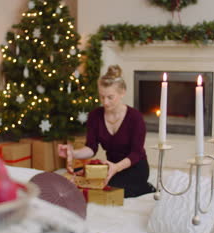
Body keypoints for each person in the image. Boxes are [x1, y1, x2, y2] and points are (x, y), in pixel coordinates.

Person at [58, 65, 155, 198]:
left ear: (122, 93)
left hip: (134, 168)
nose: (105, 102)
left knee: (103, 190)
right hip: (109, 168)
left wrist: (116, 167)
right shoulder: (94, 116)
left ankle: (144, 187)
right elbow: (91, 148)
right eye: (102, 97)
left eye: (110, 97)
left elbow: (136, 153)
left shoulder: (135, 118)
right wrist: (72, 153)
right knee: (81, 182)